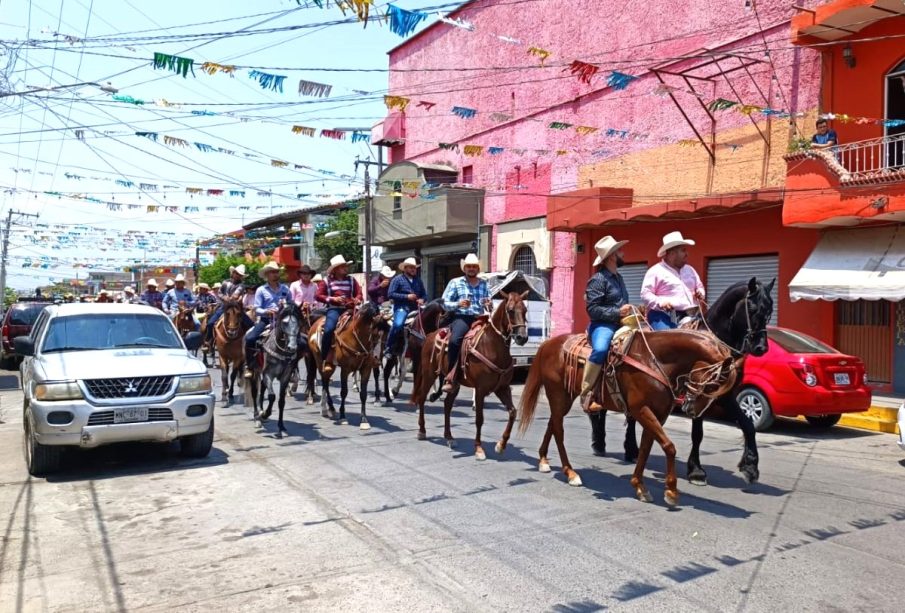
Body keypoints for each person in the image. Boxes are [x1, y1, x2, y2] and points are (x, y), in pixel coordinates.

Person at [582, 236, 632, 413]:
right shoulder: (598, 279)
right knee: (601, 350)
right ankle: (587, 394)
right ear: (611, 256)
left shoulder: (619, 278)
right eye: (619, 251)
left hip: (622, 323)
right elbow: (592, 309)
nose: (623, 253)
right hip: (602, 325)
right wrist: (618, 312)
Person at [440, 253, 491, 392]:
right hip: (462, 318)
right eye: (469, 266)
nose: (471, 269)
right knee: (455, 341)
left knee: (496, 339)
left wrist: (488, 303)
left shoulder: (484, 284)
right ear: (464, 268)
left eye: (474, 266)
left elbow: (489, 302)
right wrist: (458, 304)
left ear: (478, 268)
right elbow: (444, 303)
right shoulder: (455, 282)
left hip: (481, 318)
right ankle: (451, 377)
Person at [641, 231, 705, 331]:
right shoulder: (655, 271)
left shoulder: (690, 270)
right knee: (668, 342)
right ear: (672, 254)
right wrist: (661, 302)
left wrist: (700, 292)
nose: (687, 254)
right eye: (683, 250)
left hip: (691, 314)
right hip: (664, 315)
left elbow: (699, 286)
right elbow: (645, 294)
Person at [316, 255, 363, 375]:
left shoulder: (352, 280)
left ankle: (370, 355)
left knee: (368, 325)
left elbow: (359, 294)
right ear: (335, 269)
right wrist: (333, 299)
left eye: (345, 266)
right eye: (342, 267)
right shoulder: (326, 281)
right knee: (328, 329)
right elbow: (318, 296)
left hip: (351, 308)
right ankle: (326, 359)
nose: (345, 268)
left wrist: (357, 299)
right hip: (335, 309)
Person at [244, 261, 292, 377]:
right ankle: (249, 366)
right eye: (272, 272)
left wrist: (286, 307)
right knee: (250, 338)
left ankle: (293, 368)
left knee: (299, 340)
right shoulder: (261, 290)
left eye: (276, 272)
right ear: (267, 275)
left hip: (283, 321)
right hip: (266, 320)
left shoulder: (285, 289)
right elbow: (257, 308)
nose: (275, 274)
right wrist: (267, 311)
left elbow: (292, 305)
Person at [385, 257, 426, 356]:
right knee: (398, 324)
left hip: (417, 307)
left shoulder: (418, 280)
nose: (413, 269)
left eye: (414, 268)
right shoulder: (397, 279)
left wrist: (422, 299)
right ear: (405, 268)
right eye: (411, 267)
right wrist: (407, 297)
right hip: (402, 307)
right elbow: (390, 294)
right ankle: (389, 347)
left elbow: (424, 294)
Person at [204, 265, 252, 346]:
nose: (238, 276)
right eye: (236, 273)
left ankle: (248, 344)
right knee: (210, 323)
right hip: (224, 306)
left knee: (250, 324)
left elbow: (236, 294)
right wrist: (225, 298)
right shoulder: (225, 282)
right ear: (233, 273)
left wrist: (231, 298)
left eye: (240, 275)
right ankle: (209, 340)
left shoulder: (241, 285)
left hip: (236, 307)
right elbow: (219, 292)